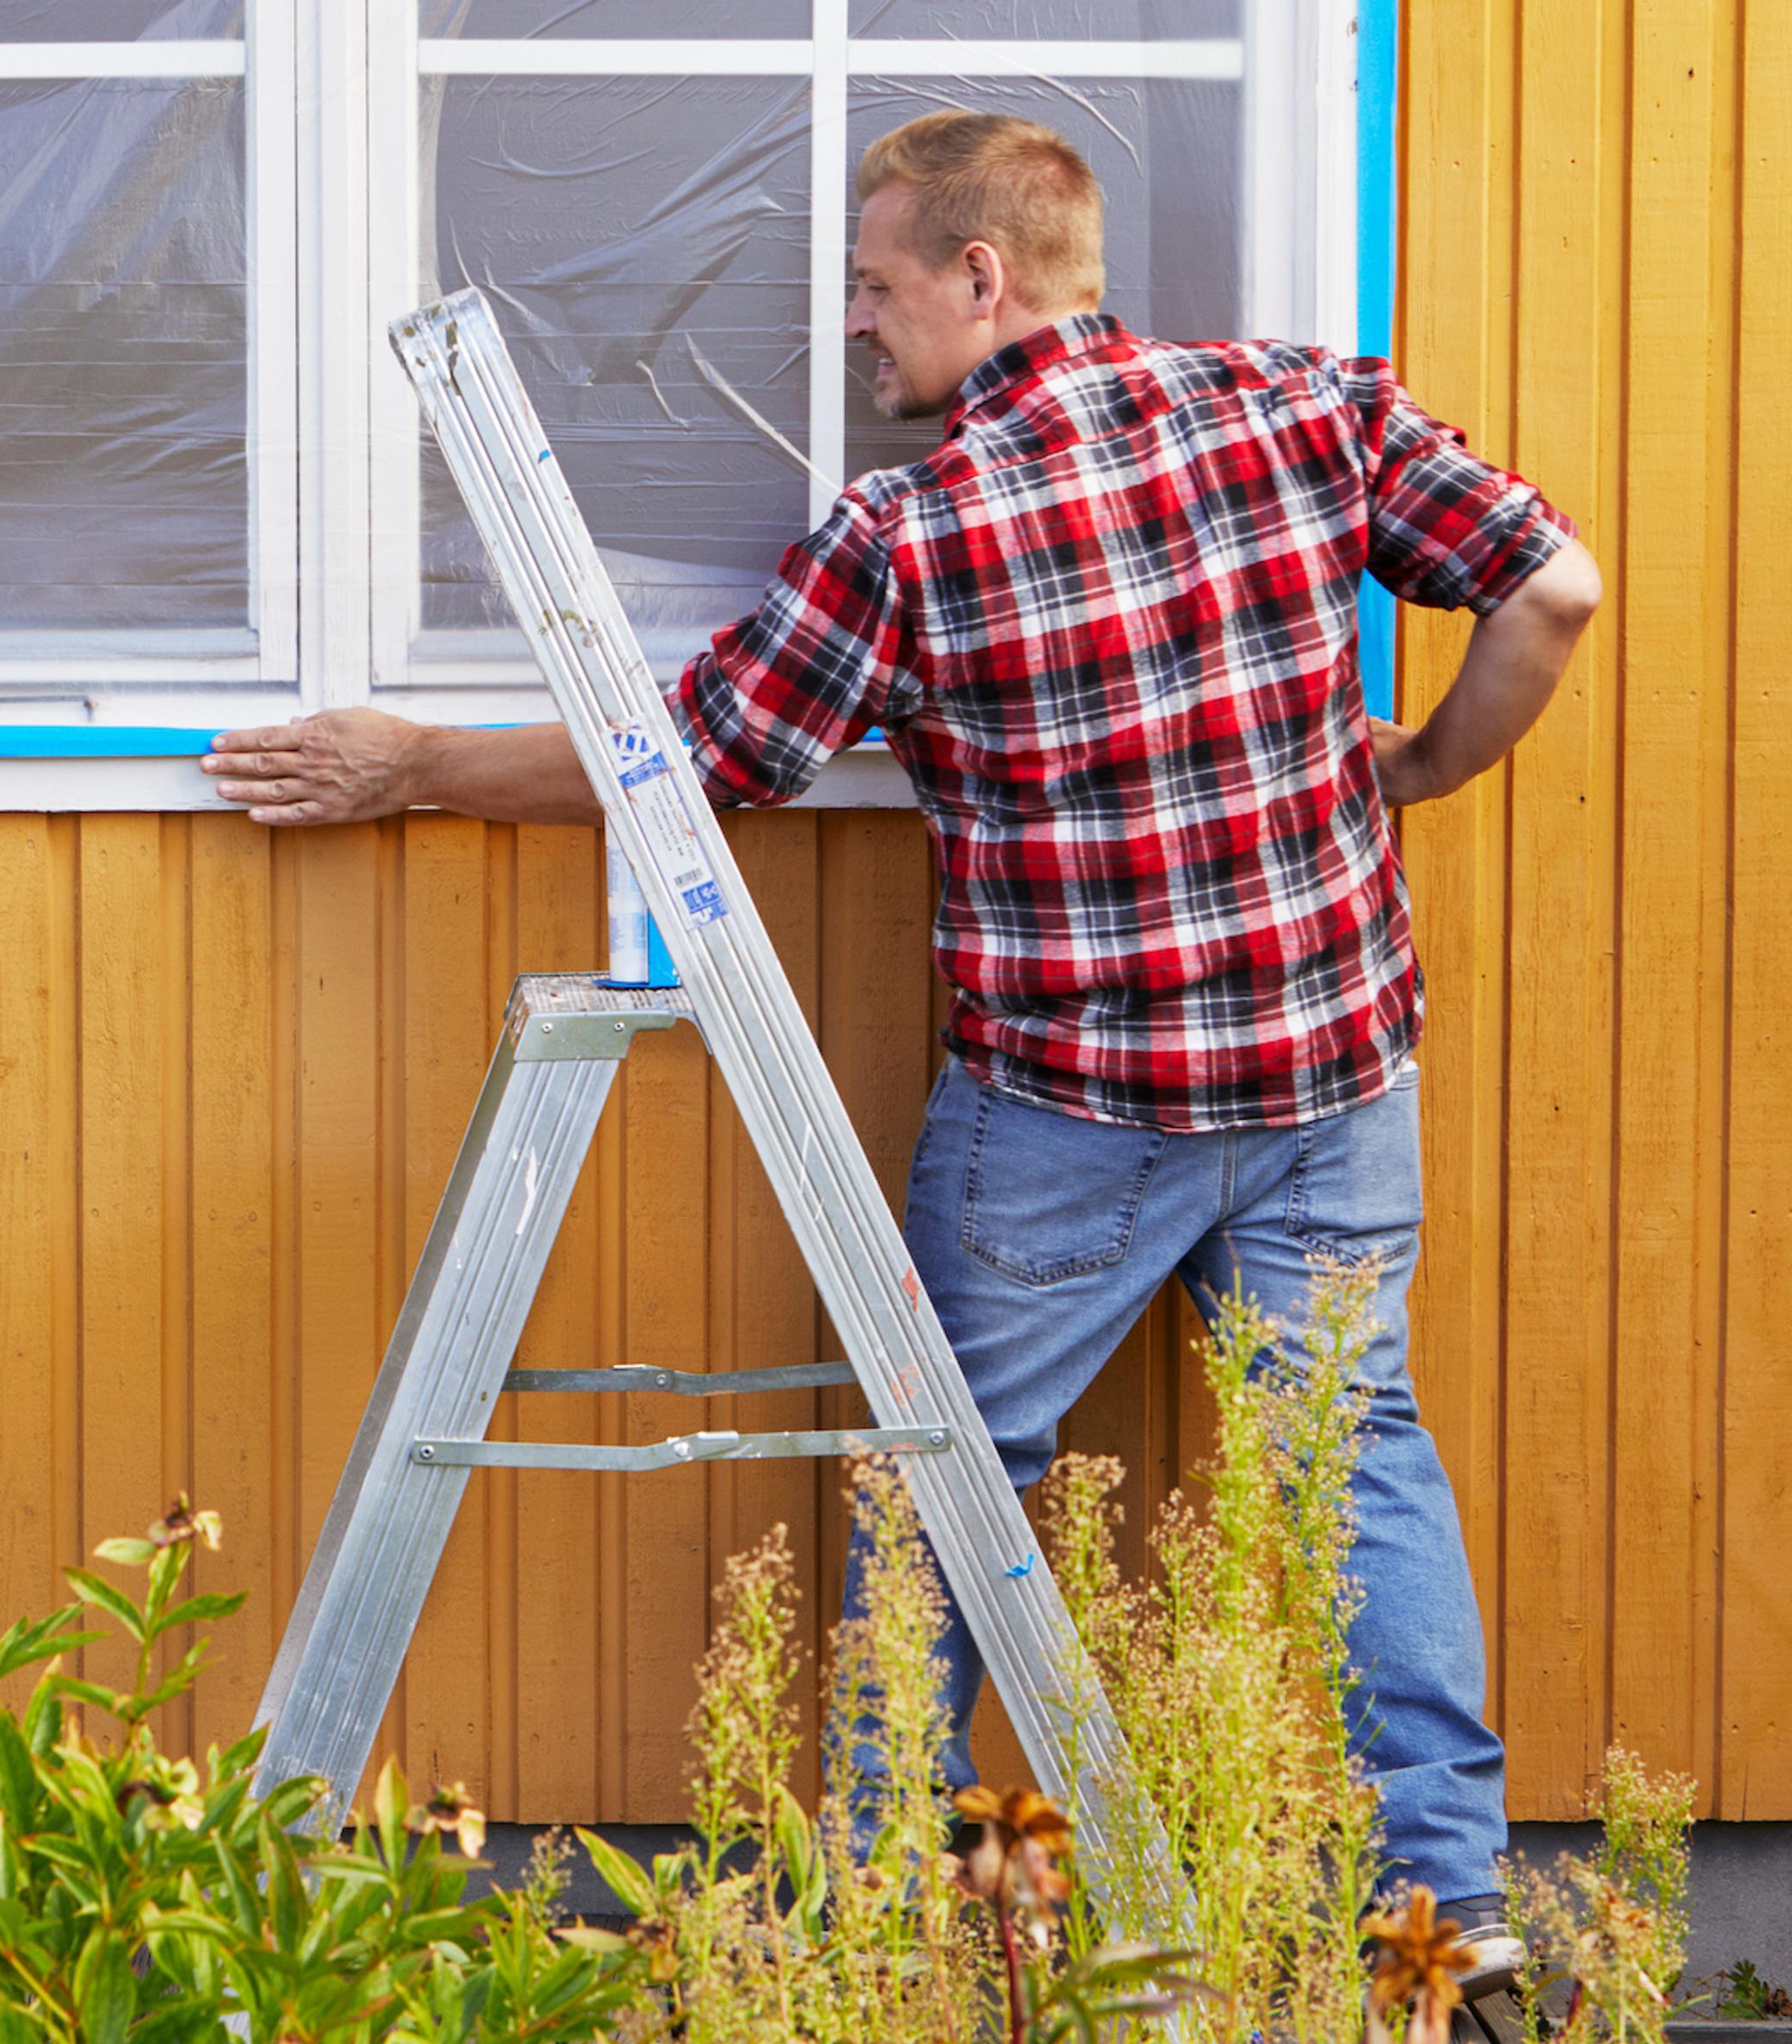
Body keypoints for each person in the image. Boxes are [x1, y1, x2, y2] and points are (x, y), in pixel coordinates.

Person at [205, 111, 1600, 1953]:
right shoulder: (1304, 410)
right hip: (1333, 1072)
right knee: (1356, 1454)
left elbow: (691, 763)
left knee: (946, 1470)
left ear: (980, 277)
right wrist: (1421, 762)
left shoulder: (919, 530)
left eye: (873, 285)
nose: (860, 328)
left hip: (1073, 1111)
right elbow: (1553, 584)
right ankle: (1453, 1897)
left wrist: (413, 767)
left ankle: (878, 1902)